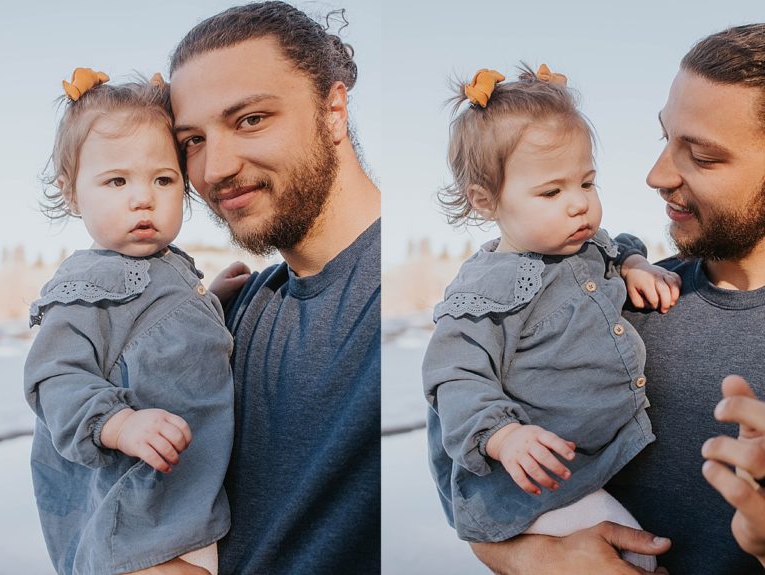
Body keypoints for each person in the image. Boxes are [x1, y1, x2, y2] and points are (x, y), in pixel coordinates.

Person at [469, 23, 765, 575]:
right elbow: (465, 478)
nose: (656, 175)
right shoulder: (611, 302)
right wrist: (537, 560)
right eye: (665, 138)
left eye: (700, 156)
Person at [422, 64, 680, 572]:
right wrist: (503, 436)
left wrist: (633, 264)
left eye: (587, 182)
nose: (579, 204)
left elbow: (616, 246)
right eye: (551, 192)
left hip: (590, 463)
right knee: (633, 559)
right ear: (486, 200)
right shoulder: (484, 292)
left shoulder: (585, 248)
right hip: (536, 486)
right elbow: (453, 377)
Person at [167, 2, 381, 574]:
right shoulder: (237, 312)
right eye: (192, 140)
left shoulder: (417, 297)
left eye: (250, 120)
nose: (215, 169)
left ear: (333, 110)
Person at [24, 70, 235, 575]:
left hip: (183, 508)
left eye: (163, 179)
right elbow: (55, 377)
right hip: (134, 519)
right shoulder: (87, 284)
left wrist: (214, 300)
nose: (143, 198)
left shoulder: (173, 271)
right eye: (116, 181)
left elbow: (162, 336)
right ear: (72, 192)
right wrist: (119, 423)